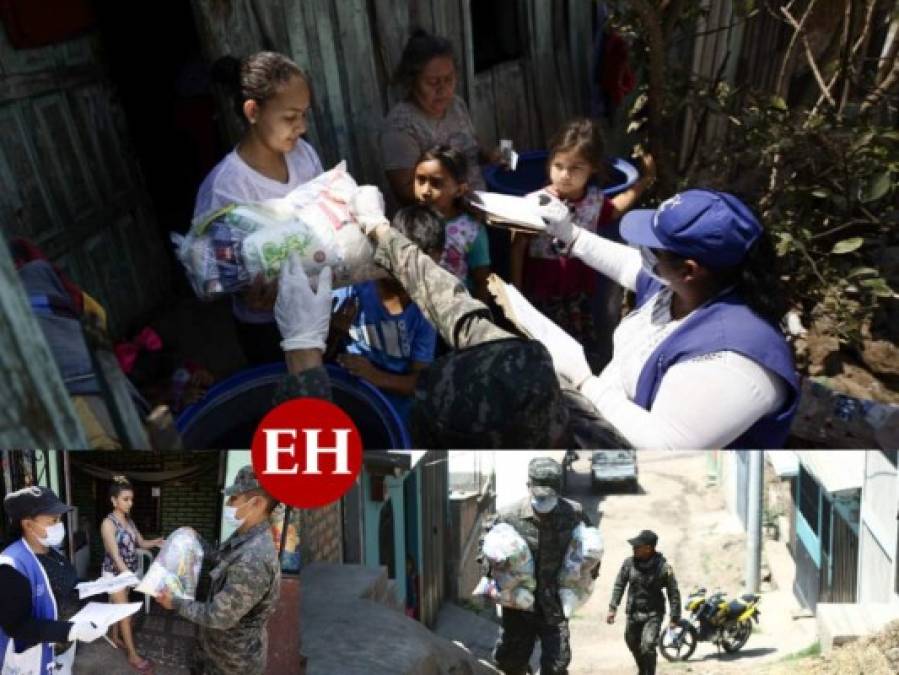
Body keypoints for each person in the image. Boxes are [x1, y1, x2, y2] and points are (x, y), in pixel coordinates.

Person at [271, 187, 630, 449]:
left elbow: (313, 483)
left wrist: (302, 350)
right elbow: (455, 307)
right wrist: (379, 229)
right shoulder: (551, 401)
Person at [535, 188, 800, 449]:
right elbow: (627, 264)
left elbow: (665, 445)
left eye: (652, 250)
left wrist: (583, 380)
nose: (642, 254)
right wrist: (571, 235)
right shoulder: (687, 286)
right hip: (606, 424)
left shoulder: (731, 359)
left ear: (688, 270)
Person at [195, 51, 323, 366]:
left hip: (319, 309)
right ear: (253, 111)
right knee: (293, 408)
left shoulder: (303, 155)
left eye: (305, 115)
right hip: (269, 329)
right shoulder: (227, 187)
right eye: (291, 117)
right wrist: (246, 290)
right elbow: (214, 274)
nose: (302, 127)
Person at [509, 119, 655, 369]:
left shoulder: (595, 201)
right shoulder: (534, 203)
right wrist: (516, 293)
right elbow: (518, 247)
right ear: (549, 164)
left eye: (576, 168)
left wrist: (644, 181)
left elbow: (617, 208)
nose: (565, 175)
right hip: (542, 288)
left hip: (577, 291)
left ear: (593, 169)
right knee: (544, 346)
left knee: (577, 348)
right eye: (558, 166)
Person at [154, 466, 281, 675]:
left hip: (231, 663)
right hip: (211, 649)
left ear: (257, 504)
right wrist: (195, 539)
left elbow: (217, 616)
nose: (228, 504)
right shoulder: (244, 537)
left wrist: (174, 602)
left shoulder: (255, 558)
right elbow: (220, 559)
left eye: (234, 499)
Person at [484, 458, 595, 675]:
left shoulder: (574, 513)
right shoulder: (509, 516)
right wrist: (497, 575)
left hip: (555, 603)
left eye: (549, 496)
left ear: (558, 491)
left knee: (557, 665)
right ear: (528, 487)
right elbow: (486, 548)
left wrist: (583, 578)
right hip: (519, 605)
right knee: (510, 663)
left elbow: (591, 549)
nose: (544, 502)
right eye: (539, 495)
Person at [333, 204, 442, 422]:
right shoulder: (357, 286)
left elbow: (419, 381)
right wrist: (334, 330)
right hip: (349, 386)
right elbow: (320, 349)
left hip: (394, 398)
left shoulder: (427, 308)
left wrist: (375, 377)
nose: (406, 274)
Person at [381, 29, 500, 205]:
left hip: (481, 204)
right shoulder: (400, 128)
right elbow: (405, 191)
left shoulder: (456, 106)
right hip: (444, 220)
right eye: (433, 82)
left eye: (449, 79)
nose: (442, 89)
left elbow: (472, 150)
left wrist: (490, 157)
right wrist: (449, 189)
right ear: (412, 81)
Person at [0, 486, 106, 674]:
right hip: (31, 661)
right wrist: (70, 631)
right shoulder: (11, 565)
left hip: (62, 648)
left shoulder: (51, 552)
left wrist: (99, 585)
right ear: (28, 524)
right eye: (53, 520)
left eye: (60, 520)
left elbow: (66, 584)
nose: (60, 525)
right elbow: (17, 625)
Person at [100, 476, 164, 673]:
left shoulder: (129, 521)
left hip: (126, 574)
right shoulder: (108, 524)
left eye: (131, 499)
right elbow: (116, 557)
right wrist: (130, 576)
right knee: (125, 613)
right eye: (125, 499)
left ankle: (114, 636)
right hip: (115, 574)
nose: (130, 503)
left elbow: (141, 543)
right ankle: (133, 655)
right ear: (114, 500)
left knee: (120, 608)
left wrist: (157, 542)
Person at [413, 145, 491, 301]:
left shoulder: (470, 230)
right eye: (420, 180)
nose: (425, 190)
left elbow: (482, 281)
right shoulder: (409, 221)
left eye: (436, 183)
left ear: (460, 190)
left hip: (457, 310)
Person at [607, 530, 681, 675]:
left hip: (653, 614)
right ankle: (642, 669)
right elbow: (619, 585)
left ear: (649, 548)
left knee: (647, 646)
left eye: (637, 546)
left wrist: (674, 617)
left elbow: (673, 593)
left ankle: (650, 672)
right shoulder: (629, 564)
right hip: (633, 613)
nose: (634, 549)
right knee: (632, 643)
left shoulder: (664, 568)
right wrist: (612, 607)